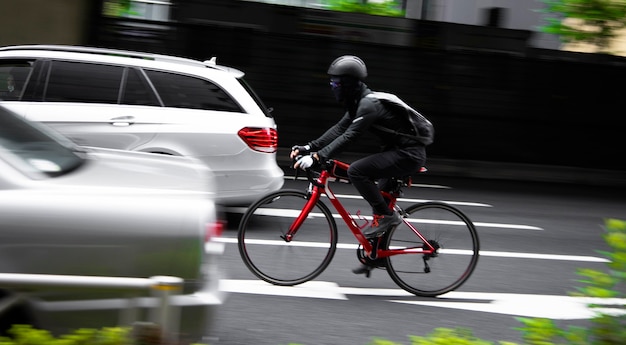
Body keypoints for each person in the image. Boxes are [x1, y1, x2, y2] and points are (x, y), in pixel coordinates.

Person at [290, 55, 427, 275]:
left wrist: (317, 158)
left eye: (336, 83)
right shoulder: (358, 103)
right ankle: (376, 256)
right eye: (331, 83)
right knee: (378, 199)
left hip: (408, 155)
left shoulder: (368, 105)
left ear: (349, 84)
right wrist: (309, 147)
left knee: (357, 171)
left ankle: (389, 217)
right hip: (395, 152)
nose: (333, 87)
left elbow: (350, 136)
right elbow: (338, 129)